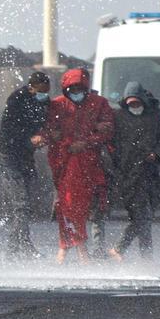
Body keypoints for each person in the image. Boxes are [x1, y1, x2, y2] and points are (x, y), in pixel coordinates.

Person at [43, 68, 114, 265]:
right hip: (63, 164)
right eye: (71, 88)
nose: (76, 91)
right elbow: (48, 130)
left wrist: (87, 142)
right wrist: (56, 137)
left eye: (79, 88)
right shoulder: (57, 105)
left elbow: (108, 130)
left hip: (89, 165)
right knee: (65, 206)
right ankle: (69, 247)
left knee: (79, 207)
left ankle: (76, 248)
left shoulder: (99, 104)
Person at [106, 82, 160, 261]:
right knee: (142, 216)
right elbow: (110, 141)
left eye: (137, 103)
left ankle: (134, 253)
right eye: (131, 104)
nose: (134, 107)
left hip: (149, 172)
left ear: (143, 100)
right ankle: (137, 254)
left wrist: (156, 153)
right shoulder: (118, 116)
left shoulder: (155, 115)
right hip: (127, 173)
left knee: (146, 216)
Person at [0, 71, 51, 259]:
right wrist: (30, 139)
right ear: (31, 87)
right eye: (41, 91)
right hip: (9, 156)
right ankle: (13, 250)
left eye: (46, 91)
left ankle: (22, 245)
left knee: (26, 204)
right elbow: (10, 130)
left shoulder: (42, 102)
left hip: (26, 157)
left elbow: (43, 123)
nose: (44, 95)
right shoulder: (17, 100)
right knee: (22, 204)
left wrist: (43, 136)